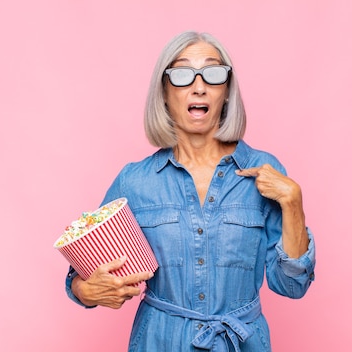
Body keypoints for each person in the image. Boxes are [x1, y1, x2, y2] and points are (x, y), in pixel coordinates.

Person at [65, 30, 316, 351]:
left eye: (212, 74)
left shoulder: (266, 171)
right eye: (183, 74)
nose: (199, 86)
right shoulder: (135, 181)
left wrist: (294, 204)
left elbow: (292, 286)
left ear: (227, 91)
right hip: (159, 341)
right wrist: (86, 290)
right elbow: (83, 272)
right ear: (165, 92)